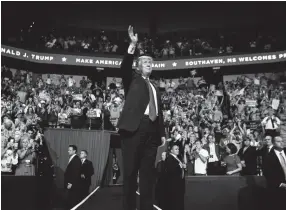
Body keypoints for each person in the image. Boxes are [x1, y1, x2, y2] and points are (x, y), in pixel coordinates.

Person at [117, 26, 166, 210]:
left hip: (152, 132)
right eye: (144, 61)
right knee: (129, 174)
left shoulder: (154, 87)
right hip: (133, 130)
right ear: (138, 65)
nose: (148, 63)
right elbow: (123, 67)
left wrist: (162, 133)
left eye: (150, 61)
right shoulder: (132, 79)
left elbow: (159, 112)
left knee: (147, 176)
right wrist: (133, 45)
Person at [263, 136, 286, 209]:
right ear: (273, 143)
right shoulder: (268, 157)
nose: (281, 143)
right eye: (278, 141)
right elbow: (267, 173)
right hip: (278, 188)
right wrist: (281, 184)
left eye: (282, 141)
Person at [164, 144, 185, 210]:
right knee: (174, 203)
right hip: (174, 185)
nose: (178, 150)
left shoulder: (177, 158)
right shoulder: (169, 158)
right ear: (171, 150)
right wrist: (180, 166)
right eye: (176, 149)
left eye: (178, 149)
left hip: (179, 184)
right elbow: (170, 170)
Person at [64, 145, 82, 210]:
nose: (68, 151)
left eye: (70, 150)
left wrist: (71, 183)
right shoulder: (72, 158)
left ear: (74, 151)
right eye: (68, 150)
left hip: (72, 184)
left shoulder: (76, 159)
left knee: (71, 199)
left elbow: (76, 173)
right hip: (69, 182)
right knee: (69, 199)